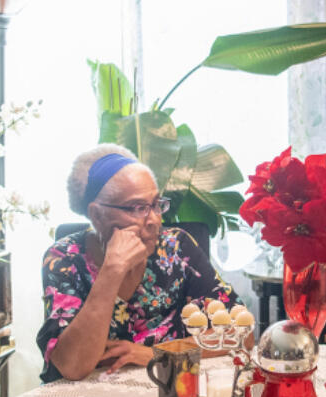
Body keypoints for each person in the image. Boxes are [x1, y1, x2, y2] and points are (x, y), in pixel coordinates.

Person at [38, 144, 239, 382]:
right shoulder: (64, 258)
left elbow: (238, 333)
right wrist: (112, 271)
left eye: (156, 205)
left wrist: (155, 353)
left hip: (162, 393)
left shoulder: (176, 247)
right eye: (138, 208)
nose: (154, 220)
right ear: (97, 214)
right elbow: (72, 367)